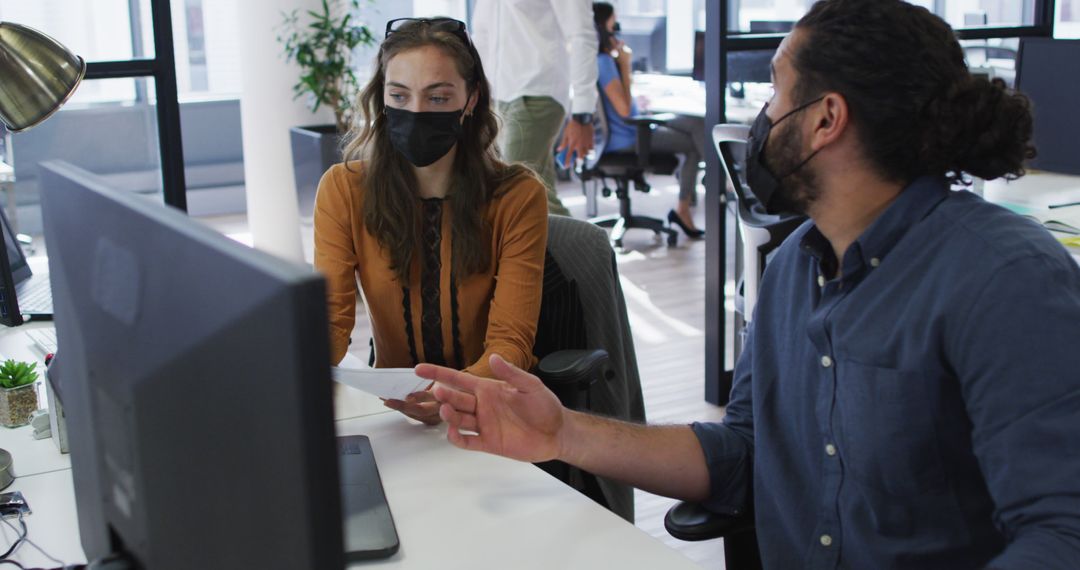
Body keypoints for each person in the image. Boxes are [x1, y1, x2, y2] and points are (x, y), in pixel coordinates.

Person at [421, 1, 1080, 568]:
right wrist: (563, 433)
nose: (765, 116)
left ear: (826, 119)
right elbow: (744, 453)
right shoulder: (796, 265)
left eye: (776, 90)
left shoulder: (1004, 280)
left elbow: (1062, 535)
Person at [313, 18, 549, 426]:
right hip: (392, 410)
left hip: (491, 407)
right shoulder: (344, 190)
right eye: (399, 95)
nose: (416, 111)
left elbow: (510, 343)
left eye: (438, 98)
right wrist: (288, 370)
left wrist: (453, 394)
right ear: (382, 98)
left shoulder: (518, 196)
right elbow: (331, 321)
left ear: (471, 99)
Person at [471, 0, 598, 217]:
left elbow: (581, 34)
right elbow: (481, 35)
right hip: (498, 97)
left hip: (537, 91)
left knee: (517, 190)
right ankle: (550, 250)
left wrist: (582, 112)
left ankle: (585, 249)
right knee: (536, 192)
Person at [592, 2, 706, 238]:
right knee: (696, 141)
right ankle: (695, 200)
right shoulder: (604, 63)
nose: (618, 31)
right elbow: (624, 110)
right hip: (627, 137)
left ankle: (692, 200)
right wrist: (625, 66)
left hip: (633, 128)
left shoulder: (603, 61)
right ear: (604, 29)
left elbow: (624, 105)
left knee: (695, 125)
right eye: (614, 26)